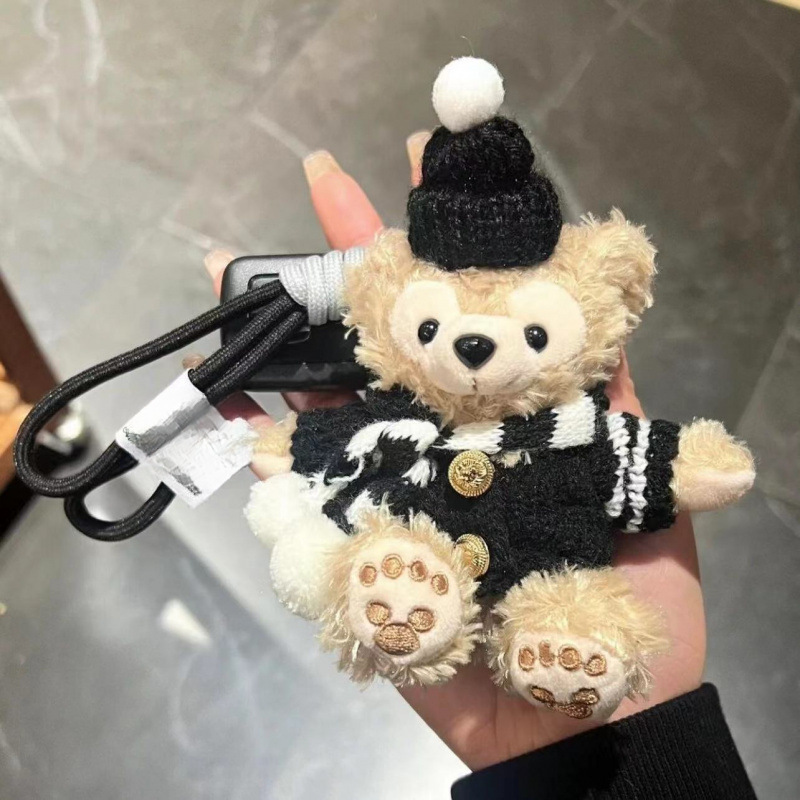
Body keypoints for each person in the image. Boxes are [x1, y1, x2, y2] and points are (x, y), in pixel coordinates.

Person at [203, 136, 757, 799]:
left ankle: (561, 645)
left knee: (567, 608)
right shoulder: (396, 421)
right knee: (394, 551)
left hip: (551, 576)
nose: (473, 346)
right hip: (430, 552)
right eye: (429, 329)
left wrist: (689, 466)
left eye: (535, 335)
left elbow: (649, 461)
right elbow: (333, 441)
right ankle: (415, 599)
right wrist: (287, 447)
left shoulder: (579, 436)